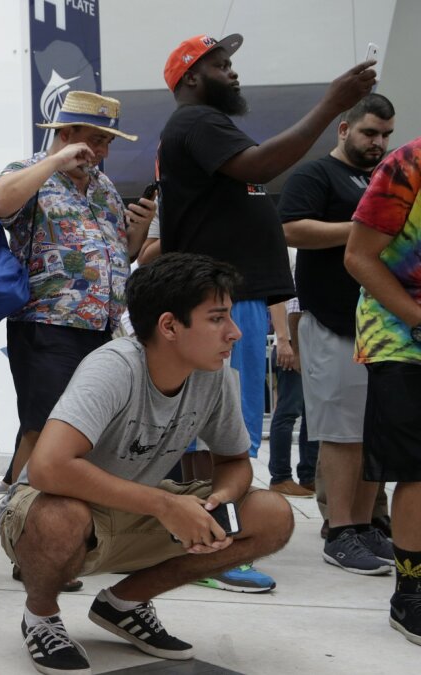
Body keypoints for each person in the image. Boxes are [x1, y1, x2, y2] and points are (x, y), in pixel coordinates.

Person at [0, 253, 294, 674]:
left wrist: (217, 506)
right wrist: (165, 505)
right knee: (60, 516)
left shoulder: (213, 375)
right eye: (216, 318)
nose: (235, 333)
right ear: (169, 325)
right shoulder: (114, 367)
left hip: (135, 512)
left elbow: (233, 461)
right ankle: (41, 616)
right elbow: (48, 468)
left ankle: (124, 603)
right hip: (48, 510)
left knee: (271, 514)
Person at [157, 33, 375, 595]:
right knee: (219, 433)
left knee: (223, 427)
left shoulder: (210, 125)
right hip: (216, 296)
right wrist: (332, 103)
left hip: (231, 297)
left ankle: (205, 539)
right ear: (189, 79)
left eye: (231, 64)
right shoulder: (197, 123)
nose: (232, 73)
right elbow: (264, 162)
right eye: (219, 65)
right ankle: (209, 549)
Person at [0, 91, 154, 495]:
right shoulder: (30, 170)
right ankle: (28, 516)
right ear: (66, 133)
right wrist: (55, 161)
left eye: (107, 141)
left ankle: (23, 504)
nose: (101, 149)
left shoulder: (104, 187)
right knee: (48, 426)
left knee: (72, 427)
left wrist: (140, 232)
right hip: (48, 321)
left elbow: (117, 253)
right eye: (96, 138)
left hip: (104, 326)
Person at [280, 93, 397, 571]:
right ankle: (341, 530)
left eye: (386, 135)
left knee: (375, 433)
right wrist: (360, 229)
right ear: (344, 129)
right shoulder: (315, 174)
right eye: (371, 132)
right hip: (333, 320)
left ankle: (366, 526)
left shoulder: (382, 178)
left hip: (381, 324)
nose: (378, 142)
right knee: (342, 434)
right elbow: (290, 229)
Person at [344, 136, 421, 646]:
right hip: (402, 339)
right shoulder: (408, 162)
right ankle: (410, 594)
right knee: (418, 469)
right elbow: (359, 256)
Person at [266, 297, 318, 497]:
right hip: (292, 347)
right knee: (288, 412)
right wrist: (290, 346)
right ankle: (280, 477)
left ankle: (308, 475)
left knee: (310, 415)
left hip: (301, 346)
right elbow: (294, 308)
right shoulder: (297, 271)